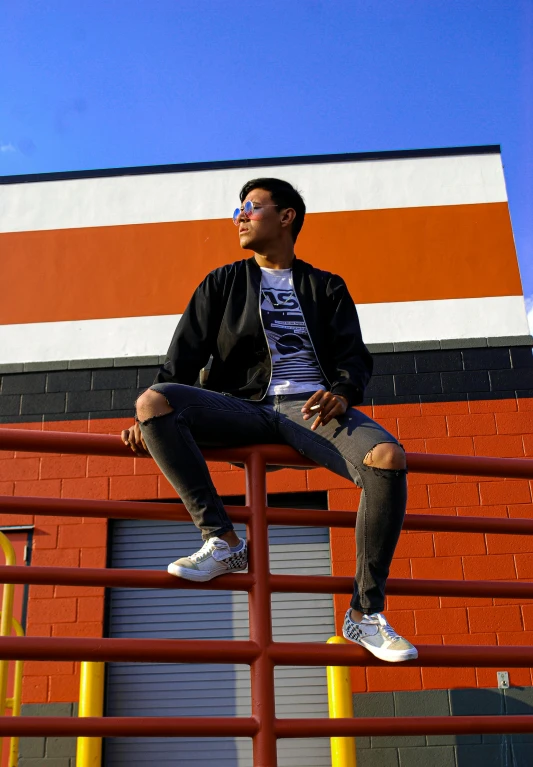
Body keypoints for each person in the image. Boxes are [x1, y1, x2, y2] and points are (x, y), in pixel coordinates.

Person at [121, 177, 417, 663]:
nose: (239, 216)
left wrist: (342, 392)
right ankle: (222, 540)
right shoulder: (223, 282)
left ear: (286, 217)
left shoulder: (327, 286)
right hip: (242, 405)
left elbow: (354, 358)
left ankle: (364, 615)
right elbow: (183, 357)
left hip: (312, 412)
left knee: (387, 458)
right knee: (153, 401)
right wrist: (150, 412)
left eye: (251, 207)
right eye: (237, 209)